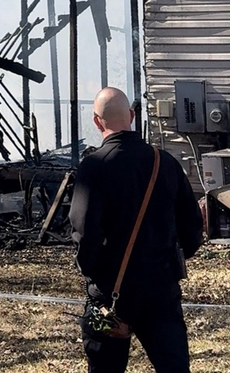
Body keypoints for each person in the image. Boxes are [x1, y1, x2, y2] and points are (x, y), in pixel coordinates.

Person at [69, 87, 203, 373]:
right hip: (160, 289)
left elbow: (84, 233)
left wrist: (91, 271)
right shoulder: (165, 163)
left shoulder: (94, 167)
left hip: (110, 293)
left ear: (97, 122)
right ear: (131, 116)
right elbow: (193, 228)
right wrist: (173, 259)